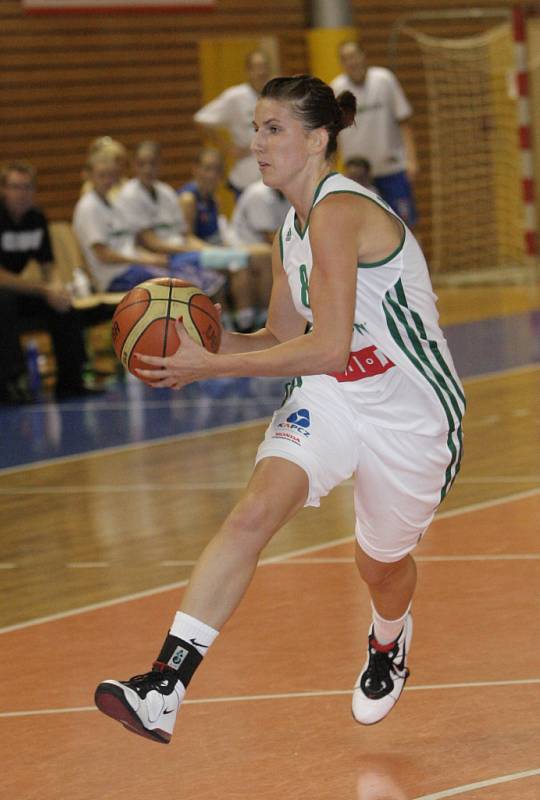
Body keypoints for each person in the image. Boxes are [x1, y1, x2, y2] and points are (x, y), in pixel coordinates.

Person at [94, 75, 465, 743]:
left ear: (317, 139)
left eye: (272, 129)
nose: (256, 142)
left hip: (409, 408)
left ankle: (389, 639)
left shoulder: (340, 210)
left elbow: (324, 346)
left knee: (380, 564)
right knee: (253, 512)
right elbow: (279, 337)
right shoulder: (287, 231)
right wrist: (193, 344)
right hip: (333, 394)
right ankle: (164, 684)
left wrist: (216, 366)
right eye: (255, 129)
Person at [0, 162, 93, 403]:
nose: (22, 193)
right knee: (2, 303)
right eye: (15, 187)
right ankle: (13, 381)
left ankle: (71, 380)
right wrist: (44, 289)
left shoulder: (36, 218)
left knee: (63, 305)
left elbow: (47, 265)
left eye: (27, 187)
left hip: (13, 290)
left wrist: (56, 289)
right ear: (3, 190)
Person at [116, 140, 254, 330]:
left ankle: (236, 324)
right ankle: (231, 327)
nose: (148, 169)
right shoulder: (130, 195)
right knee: (231, 264)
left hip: (183, 251)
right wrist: (194, 249)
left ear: (160, 165)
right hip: (166, 256)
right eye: (142, 163)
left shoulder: (165, 192)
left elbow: (184, 234)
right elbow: (150, 242)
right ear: (133, 165)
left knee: (236, 261)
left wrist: (205, 248)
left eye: (152, 163)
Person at [72, 150, 224, 298]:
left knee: (197, 277)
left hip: (134, 267)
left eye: (111, 175)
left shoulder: (113, 206)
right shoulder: (89, 207)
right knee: (179, 286)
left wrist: (152, 258)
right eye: (102, 176)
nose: (107, 181)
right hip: (115, 276)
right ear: (88, 176)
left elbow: (129, 246)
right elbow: (104, 254)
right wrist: (145, 260)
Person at [330, 41, 418, 227]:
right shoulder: (337, 88)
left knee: (405, 225)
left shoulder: (385, 79)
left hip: (392, 169)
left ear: (364, 56)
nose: (352, 62)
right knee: (364, 229)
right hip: (358, 176)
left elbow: (404, 121)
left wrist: (411, 160)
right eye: (346, 59)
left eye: (354, 56)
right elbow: (333, 134)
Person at [179, 147, 257, 331]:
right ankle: (239, 325)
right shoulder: (188, 198)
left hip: (209, 250)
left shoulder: (214, 199)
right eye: (207, 168)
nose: (211, 175)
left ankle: (248, 319)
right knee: (239, 262)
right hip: (190, 255)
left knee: (249, 262)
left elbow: (220, 235)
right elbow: (186, 238)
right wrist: (218, 251)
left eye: (216, 170)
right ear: (195, 169)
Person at [193, 49, 272, 196]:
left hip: (272, 174)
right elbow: (202, 120)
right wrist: (227, 149)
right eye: (257, 67)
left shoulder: (275, 96)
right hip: (246, 174)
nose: (262, 72)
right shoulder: (235, 97)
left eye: (265, 66)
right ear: (248, 71)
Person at [226, 178, 291, 322]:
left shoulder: (288, 193)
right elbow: (272, 238)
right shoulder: (259, 194)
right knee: (270, 256)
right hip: (239, 246)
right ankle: (266, 316)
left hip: (260, 246)